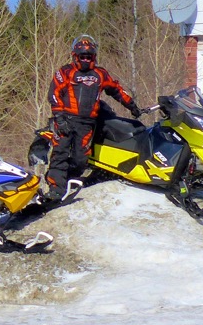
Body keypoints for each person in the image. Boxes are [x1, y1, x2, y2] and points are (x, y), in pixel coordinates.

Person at [43, 34, 141, 203]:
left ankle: (68, 182)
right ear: (75, 55)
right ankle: (55, 189)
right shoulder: (65, 72)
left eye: (89, 56)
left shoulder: (100, 74)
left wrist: (132, 105)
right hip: (65, 119)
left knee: (81, 158)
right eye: (83, 56)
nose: (86, 59)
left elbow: (116, 89)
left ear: (94, 56)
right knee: (60, 153)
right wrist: (59, 117)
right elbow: (54, 93)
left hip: (87, 123)